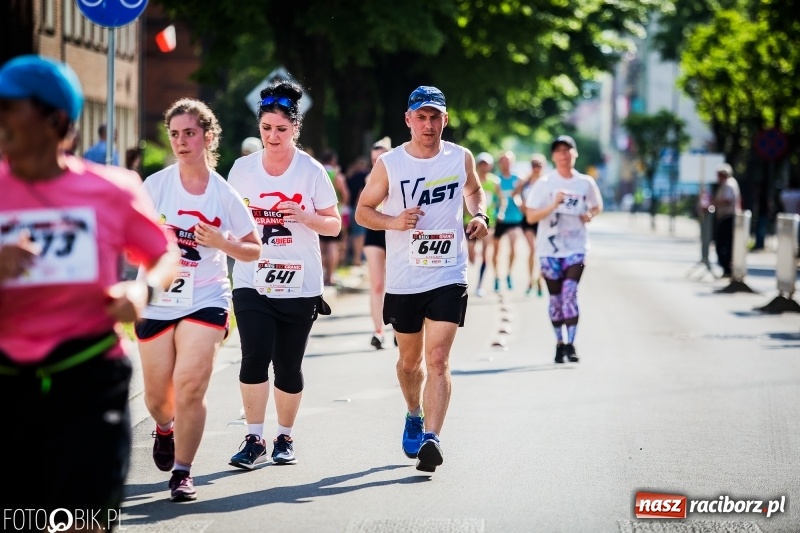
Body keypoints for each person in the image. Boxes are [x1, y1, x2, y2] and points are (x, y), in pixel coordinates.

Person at [0, 55, 177, 527]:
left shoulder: (112, 189)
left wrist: (143, 295)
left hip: (88, 375)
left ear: (54, 118)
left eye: (7, 106)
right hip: (9, 379)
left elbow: (163, 254)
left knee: (84, 519)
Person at [356, 85, 489, 472]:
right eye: (422, 117)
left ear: (444, 120)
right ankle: (413, 412)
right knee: (409, 362)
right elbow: (364, 211)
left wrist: (478, 216)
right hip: (405, 278)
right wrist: (394, 221)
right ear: (408, 120)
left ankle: (432, 437)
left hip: (449, 272)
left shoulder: (459, 157)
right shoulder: (391, 164)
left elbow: (474, 191)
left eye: (435, 117)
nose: (428, 124)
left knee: (439, 357)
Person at [135, 98, 262, 502]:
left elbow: (253, 248)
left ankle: (183, 472)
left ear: (207, 137)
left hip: (206, 297)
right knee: (158, 398)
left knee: (189, 386)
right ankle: (164, 428)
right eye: (174, 134)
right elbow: (128, 240)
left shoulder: (223, 195)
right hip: (157, 298)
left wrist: (223, 242)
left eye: (189, 133)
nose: (180, 141)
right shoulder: (154, 186)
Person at [227, 79, 340, 470]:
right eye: (265, 129)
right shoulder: (241, 169)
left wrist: (306, 217)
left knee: (288, 366)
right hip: (252, 278)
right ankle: (254, 437)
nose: (272, 137)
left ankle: (284, 436)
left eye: (281, 129)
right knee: (253, 356)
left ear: (295, 129)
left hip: (300, 282)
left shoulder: (310, 171)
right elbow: (229, 220)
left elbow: (335, 224)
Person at [524, 135, 602, 364]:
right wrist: (553, 204)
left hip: (576, 248)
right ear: (553, 156)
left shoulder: (585, 182)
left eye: (567, 150)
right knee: (556, 299)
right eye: (558, 150)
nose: (563, 154)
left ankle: (572, 344)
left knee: (570, 293)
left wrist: (590, 214)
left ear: (574, 154)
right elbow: (530, 216)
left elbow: (597, 205)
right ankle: (559, 343)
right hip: (549, 250)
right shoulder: (545, 184)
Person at [362, 137, 392, 349]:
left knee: (397, 283)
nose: (377, 163)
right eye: (374, 160)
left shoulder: (402, 176)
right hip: (374, 233)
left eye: (381, 159)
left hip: (396, 231)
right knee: (378, 284)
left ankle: (400, 328)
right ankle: (378, 330)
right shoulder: (369, 179)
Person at [491, 150, 524, 292]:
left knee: (513, 246)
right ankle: (497, 276)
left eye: (509, 161)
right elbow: (492, 200)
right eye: (504, 161)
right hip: (499, 219)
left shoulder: (518, 180)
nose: (506, 164)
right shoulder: (496, 180)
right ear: (500, 163)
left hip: (514, 218)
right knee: (496, 251)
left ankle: (509, 273)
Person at [469, 152, 499, 297]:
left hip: (489, 221)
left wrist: (501, 212)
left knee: (486, 253)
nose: (483, 167)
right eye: (481, 164)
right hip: (468, 220)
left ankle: (480, 284)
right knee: (470, 251)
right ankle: (472, 258)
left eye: (486, 164)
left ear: (490, 166)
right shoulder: (471, 180)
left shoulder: (494, 182)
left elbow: (501, 200)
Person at [318, 150, 349, 285]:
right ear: (332, 160)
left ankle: (321, 275)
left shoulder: (317, 172)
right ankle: (330, 277)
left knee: (320, 246)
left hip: (317, 215)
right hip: (334, 214)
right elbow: (345, 194)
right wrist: (341, 205)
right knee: (332, 246)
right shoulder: (336, 174)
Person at [517, 153, 546, 296]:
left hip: (541, 221)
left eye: (539, 165)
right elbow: (514, 194)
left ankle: (539, 280)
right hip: (528, 219)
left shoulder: (546, 182)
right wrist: (520, 206)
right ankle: (530, 280)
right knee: (532, 250)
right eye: (534, 165)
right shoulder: (525, 181)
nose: (536, 168)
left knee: (540, 252)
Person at [710, 163, 740, 277]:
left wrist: (715, 203)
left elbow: (728, 200)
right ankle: (727, 269)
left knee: (723, 245)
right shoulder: (726, 184)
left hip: (728, 217)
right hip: (725, 217)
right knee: (723, 245)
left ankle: (727, 269)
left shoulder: (729, 184)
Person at [345, 155, 371, 266]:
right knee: (359, 234)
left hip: (348, 208)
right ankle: (357, 258)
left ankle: (349, 257)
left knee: (349, 234)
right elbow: (362, 191)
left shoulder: (351, 175)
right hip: (357, 207)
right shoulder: (364, 175)